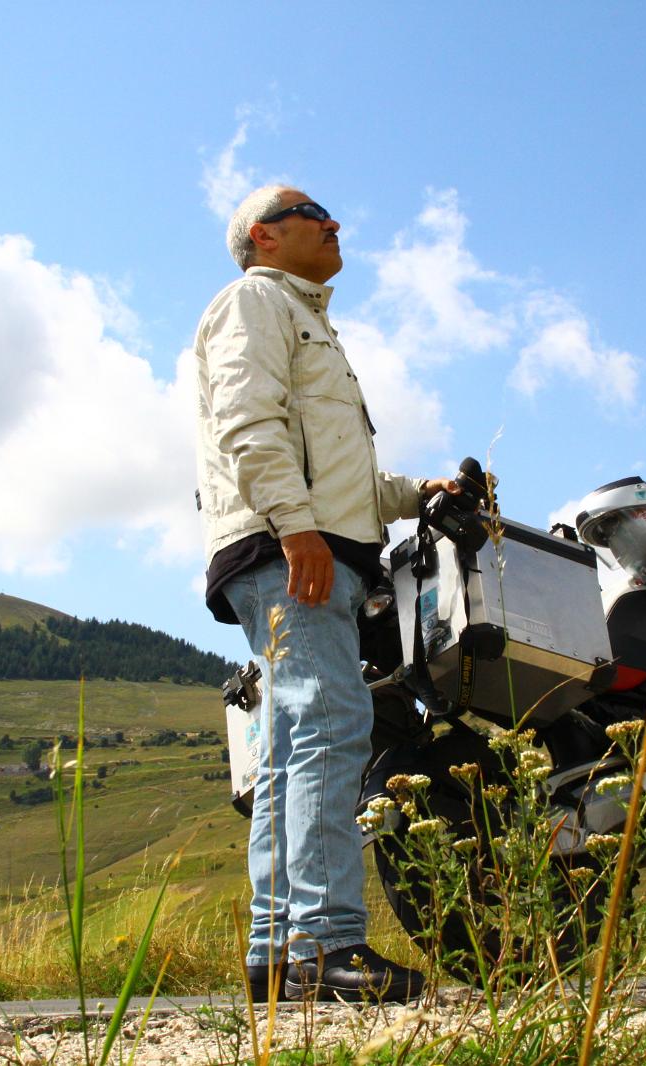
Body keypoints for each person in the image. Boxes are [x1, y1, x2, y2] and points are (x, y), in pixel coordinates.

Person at [193, 184, 456, 1002]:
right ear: (264, 238)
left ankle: (281, 954)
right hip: (289, 551)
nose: (335, 222)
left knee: (296, 740)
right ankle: (324, 946)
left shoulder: (307, 321)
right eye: (312, 212)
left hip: (308, 542)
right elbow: (246, 420)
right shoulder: (255, 302)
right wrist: (295, 528)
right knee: (331, 723)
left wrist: (420, 493)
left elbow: (346, 476)